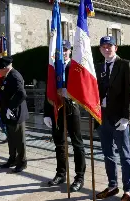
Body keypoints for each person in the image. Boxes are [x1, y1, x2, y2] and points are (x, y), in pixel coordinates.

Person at [95, 36, 130, 201]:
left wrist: (127, 117)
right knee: (107, 154)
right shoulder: (98, 67)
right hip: (102, 117)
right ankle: (112, 185)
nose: (107, 49)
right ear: (100, 50)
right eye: (103, 47)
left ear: (116, 48)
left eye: (109, 46)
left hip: (120, 118)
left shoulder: (126, 65)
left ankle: (128, 190)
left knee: (125, 155)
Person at [43, 40, 86, 192]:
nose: (64, 52)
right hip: (56, 109)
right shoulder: (53, 68)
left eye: (66, 49)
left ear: (70, 51)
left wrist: (69, 93)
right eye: (61, 50)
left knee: (77, 144)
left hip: (71, 109)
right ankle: (61, 173)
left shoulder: (75, 67)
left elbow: (83, 89)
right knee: (59, 143)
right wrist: (46, 113)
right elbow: (48, 91)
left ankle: (79, 177)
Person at [0, 56, 28, 173]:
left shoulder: (14, 76)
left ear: (4, 68)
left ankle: (22, 162)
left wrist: (11, 107)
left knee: (19, 139)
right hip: (8, 113)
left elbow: (21, 94)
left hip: (15, 113)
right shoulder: (8, 76)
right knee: (11, 138)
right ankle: (12, 159)